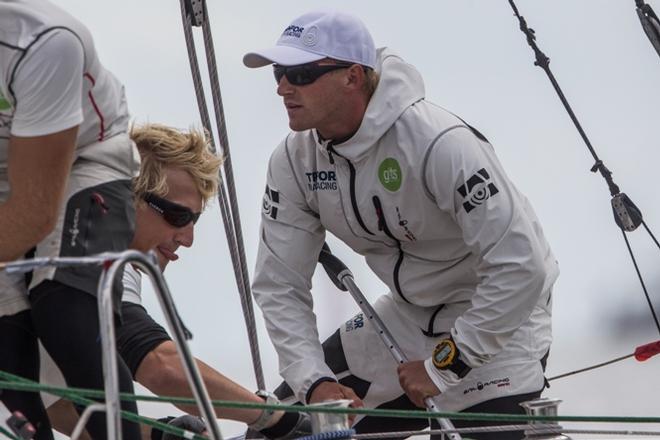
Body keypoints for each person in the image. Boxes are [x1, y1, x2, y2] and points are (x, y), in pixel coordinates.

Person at [244, 10, 559, 440]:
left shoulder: (438, 143)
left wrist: (447, 365)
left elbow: (523, 267)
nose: (282, 87)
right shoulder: (293, 161)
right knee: (272, 431)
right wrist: (313, 381)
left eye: (298, 74)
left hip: (496, 324)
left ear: (352, 77)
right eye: (279, 73)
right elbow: (279, 284)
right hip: (403, 318)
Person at [42, 123, 310, 440]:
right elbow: (161, 367)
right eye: (179, 217)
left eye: (193, 220)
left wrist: (158, 434)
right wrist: (274, 418)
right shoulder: (93, 250)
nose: (188, 238)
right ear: (127, 197)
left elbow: (54, 403)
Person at [0, 1, 141, 439]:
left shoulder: (42, 41)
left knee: (64, 305)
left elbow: (33, 215)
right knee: (3, 334)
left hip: (88, 155)